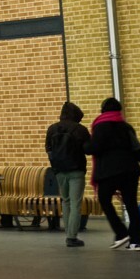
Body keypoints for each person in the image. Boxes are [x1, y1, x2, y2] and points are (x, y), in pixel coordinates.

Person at [87, 96, 140, 250]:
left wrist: (84, 145)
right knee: (131, 204)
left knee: (104, 200)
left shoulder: (100, 127)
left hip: (109, 172)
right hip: (130, 171)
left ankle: (121, 232)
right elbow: (135, 147)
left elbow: (93, 148)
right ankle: (136, 241)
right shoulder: (126, 127)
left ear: (103, 111)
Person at [45, 101, 91, 247]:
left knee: (65, 201)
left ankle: (68, 234)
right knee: (75, 203)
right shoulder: (80, 129)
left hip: (59, 171)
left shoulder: (52, 129)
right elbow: (89, 149)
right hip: (76, 170)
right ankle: (72, 236)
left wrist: (55, 166)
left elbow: (48, 149)